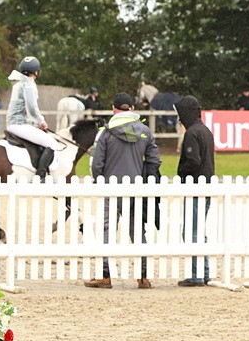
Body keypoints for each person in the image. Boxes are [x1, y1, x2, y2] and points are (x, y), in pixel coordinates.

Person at [85, 92, 162, 289]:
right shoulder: (145, 131)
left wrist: (98, 181)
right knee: (137, 231)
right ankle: (143, 275)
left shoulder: (107, 132)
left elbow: (97, 164)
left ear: (114, 109)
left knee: (107, 231)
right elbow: (154, 160)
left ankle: (105, 275)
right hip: (135, 190)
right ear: (133, 109)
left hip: (111, 188)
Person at [175, 95, 215, 286]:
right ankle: (204, 272)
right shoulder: (205, 130)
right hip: (206, 185)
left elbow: (193, 161)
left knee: (191, 232)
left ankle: (196, 274)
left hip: (195, 187)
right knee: (200, 231)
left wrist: (180, 173)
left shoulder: (192, 133)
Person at [5, 56, 58, 180]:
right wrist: (41, 121)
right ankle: (41, 176)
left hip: (15, 123)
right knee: (52, 143)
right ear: (36, 71)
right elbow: (32, 108)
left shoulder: (19, 82)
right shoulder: (28, 84)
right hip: (19, 124)